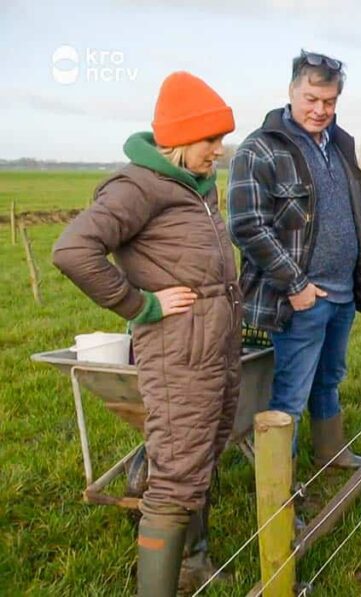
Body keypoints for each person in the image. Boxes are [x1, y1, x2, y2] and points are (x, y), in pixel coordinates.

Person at [52, 71, 239, 596]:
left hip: (213, 353)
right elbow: (73, 250)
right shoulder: (138, 186)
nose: (219, 150)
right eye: (211, 139)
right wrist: (142, 304)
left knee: (198, 459)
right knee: (177, 476)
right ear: (178, 139)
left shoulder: (196, 188)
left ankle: (191, 564)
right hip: (178, 356)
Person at [227, 50, 361, 470]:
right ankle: (280, 495)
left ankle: (330, 453)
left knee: (329, 380)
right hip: (300, 299)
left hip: (342, 295)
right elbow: (247, 226)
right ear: (291, 91)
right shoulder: (260, 150)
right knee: (290, 396)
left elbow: (356, 216)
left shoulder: (340, 146)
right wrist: (295, 284)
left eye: (329, 101)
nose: (320, 110)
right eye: (311, 99)